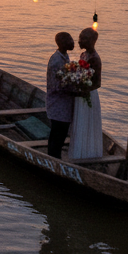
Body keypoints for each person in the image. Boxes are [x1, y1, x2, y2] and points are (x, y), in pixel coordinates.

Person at [69, 27, 104, 160]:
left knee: (86, 123)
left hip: (88, 95)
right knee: (80, 123)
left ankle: (87, 153)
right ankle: (78, 152)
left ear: (91, 41)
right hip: (81, 94)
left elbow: (97, 83)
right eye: (80, 38)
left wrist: (83, 90)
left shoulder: (94, 58)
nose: (79, 41)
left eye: (82, 38)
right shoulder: (84, 55)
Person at [46, 31, 75, 159]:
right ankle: (53, 160)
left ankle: (53, 157)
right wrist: (75, 90)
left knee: (59, 134)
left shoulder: (65, 56)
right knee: (58, 135)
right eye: (70, 40)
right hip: (58, 105)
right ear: (62, 43)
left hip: (64, 104)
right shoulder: (56, 61)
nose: (73, 42)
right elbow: (55, 86)